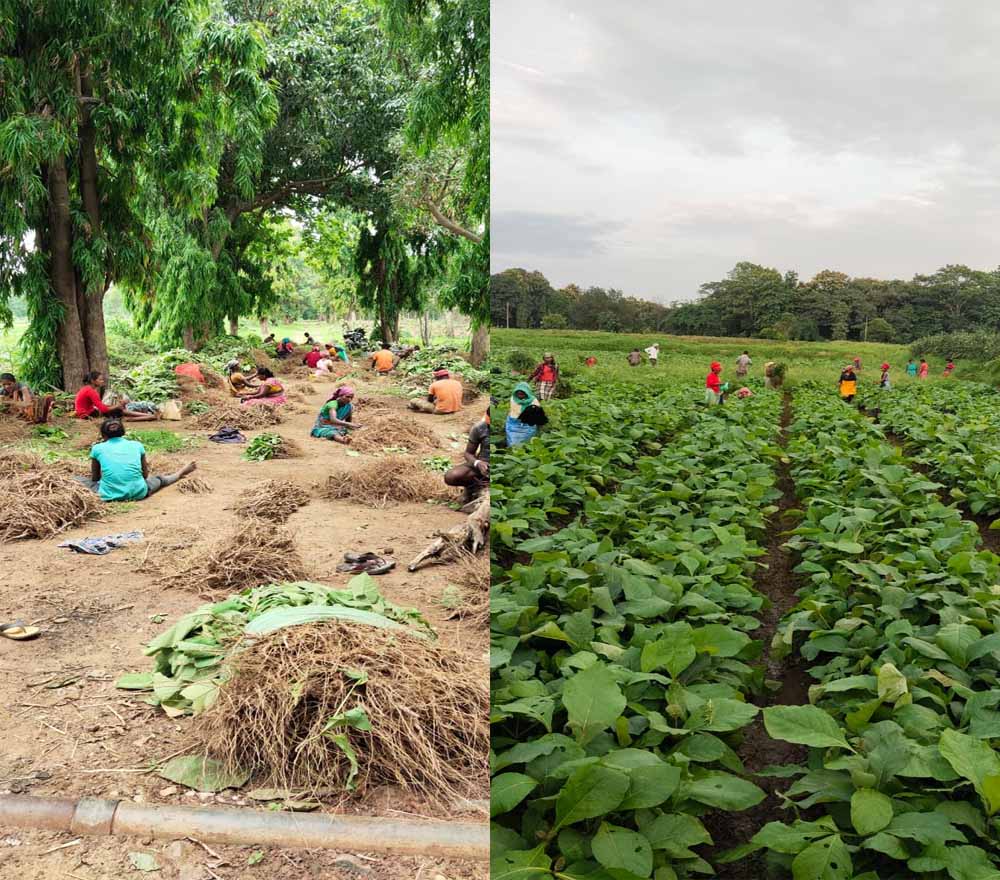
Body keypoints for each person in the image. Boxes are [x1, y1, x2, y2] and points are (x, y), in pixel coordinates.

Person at [77, 417, 196, 501]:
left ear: (103, 435)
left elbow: (95, 478)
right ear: (123, 432)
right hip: (138, 492)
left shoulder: (97, 448)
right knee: (160, 479)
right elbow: (145, 476)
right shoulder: (137, 445)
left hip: (108, 494)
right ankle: (181, 472)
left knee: (77, 479)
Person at [444, 407, 490, 503]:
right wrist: (478, 463)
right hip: (483, 466)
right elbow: (468, 453)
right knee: (451, 476)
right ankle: (472, 487)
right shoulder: (479, 428)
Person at [75, 371, 156, 421]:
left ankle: (148, 416)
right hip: (87, 414)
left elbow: (100, 405)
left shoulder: (87, 389)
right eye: (100, 379)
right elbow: (103, 409)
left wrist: (115, 406)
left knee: (117, 408)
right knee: (119, 410)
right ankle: (148, 416)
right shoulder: (91, 391)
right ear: (93, 381)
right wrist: (118, 405)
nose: (102, 381)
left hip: (85, 412)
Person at [505, 382, 548, 446]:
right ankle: (513, 449)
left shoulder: (533, 401)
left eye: (522, 394)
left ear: (527, 393)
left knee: (526, 440)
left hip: (527, 423)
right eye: (518, 394)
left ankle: (525, 447)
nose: (520, 396)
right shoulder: (513, 399)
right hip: (514, 422)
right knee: (513, 439)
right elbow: (514, 410)